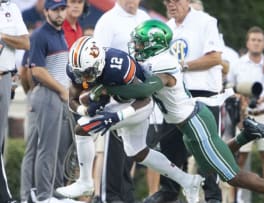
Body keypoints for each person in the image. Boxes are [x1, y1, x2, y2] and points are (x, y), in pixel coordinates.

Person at [104, 19, 264, 203]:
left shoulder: (163, 63)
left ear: (154, 44)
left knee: (232, 176)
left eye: (140, 42)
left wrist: (108, 86)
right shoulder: (154, 61)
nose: (136, 46)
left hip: (195, 125)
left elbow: (144, 88)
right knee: (212, 162)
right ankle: (247, 135)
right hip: (191, 123)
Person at [55, 36, 205, 203]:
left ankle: (85, 182)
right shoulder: (79, 67)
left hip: (138, 106)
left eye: (87, 73)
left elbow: (145, 98)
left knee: (82, 128)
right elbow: (72, 101)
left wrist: (117, 116)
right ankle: (188, 181)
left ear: (99, 63)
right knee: (137, 152)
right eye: (79, 73)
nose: (83, 78)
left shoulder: (118, 65)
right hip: (119, 104)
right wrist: (85, 109)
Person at [145, 0, 224, 202]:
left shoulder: (206, 21)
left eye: (176, 0)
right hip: (175, 95)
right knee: (170, 145)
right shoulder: (166, 28)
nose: (171, 4)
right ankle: (168, 191)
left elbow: (215, 58)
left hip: (204, 93)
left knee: (206, 147)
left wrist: (181, 66)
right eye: (167, 1)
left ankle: (212, 196)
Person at [92, 1, 151, 202]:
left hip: (141, 97)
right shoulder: (107, 21)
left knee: (132, 151)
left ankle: (126, 195)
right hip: (116, 97)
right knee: (114, 153)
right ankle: (111, 196)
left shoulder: (144, 18)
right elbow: (96, 61)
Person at [26, 0, 78, 202]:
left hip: (61, 96)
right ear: (46, 11)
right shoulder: (40, 35)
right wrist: (61, 90)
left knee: (60, 150)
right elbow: (37, 70)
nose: (60, 13)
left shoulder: (60, 34)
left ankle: (56, 192)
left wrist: (67, 92)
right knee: (46, 149)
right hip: (48, 95)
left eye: (62, 9)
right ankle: (43, 195)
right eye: (55, 10)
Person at [228, 26, 264, 202]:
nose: (256, 43)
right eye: (253, 40)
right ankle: (233, 199)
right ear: (247, 42)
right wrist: (240, 96)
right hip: (243, 116)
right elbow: (228, 88)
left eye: (259, 40)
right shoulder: (237, 64)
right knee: (238, 160)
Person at [0, 1, 30, 203]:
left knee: (1, 141)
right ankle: (5, 197)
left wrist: (2, 37)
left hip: (5, 78)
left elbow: (25, 42)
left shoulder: (10, 7)